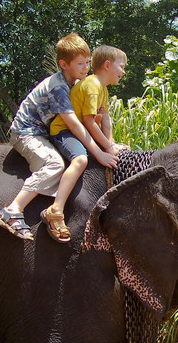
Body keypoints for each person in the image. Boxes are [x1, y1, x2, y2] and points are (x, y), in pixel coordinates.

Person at [0, 33, 118, 242]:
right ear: (63, 64)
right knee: (54, 164)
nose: (85, 67)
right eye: (80, 63)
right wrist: (100, 152)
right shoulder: (59, 87)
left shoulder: (77, 84)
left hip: (47, 132)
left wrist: (109, 144)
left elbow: (95, 117)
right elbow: (74, 124)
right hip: (28, 133)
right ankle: (14, 209)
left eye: (87, 62)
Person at [46, 45, 128, 241]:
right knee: (80, 160)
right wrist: (106, 148)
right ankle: (56, 209)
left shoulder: (103, 90)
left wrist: (111, 143)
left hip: (82, 133)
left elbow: (105, 119)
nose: (123, 72)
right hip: (65, 132)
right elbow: (89, 121)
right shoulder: (92, 85)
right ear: (107, 65)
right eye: (122, 67)